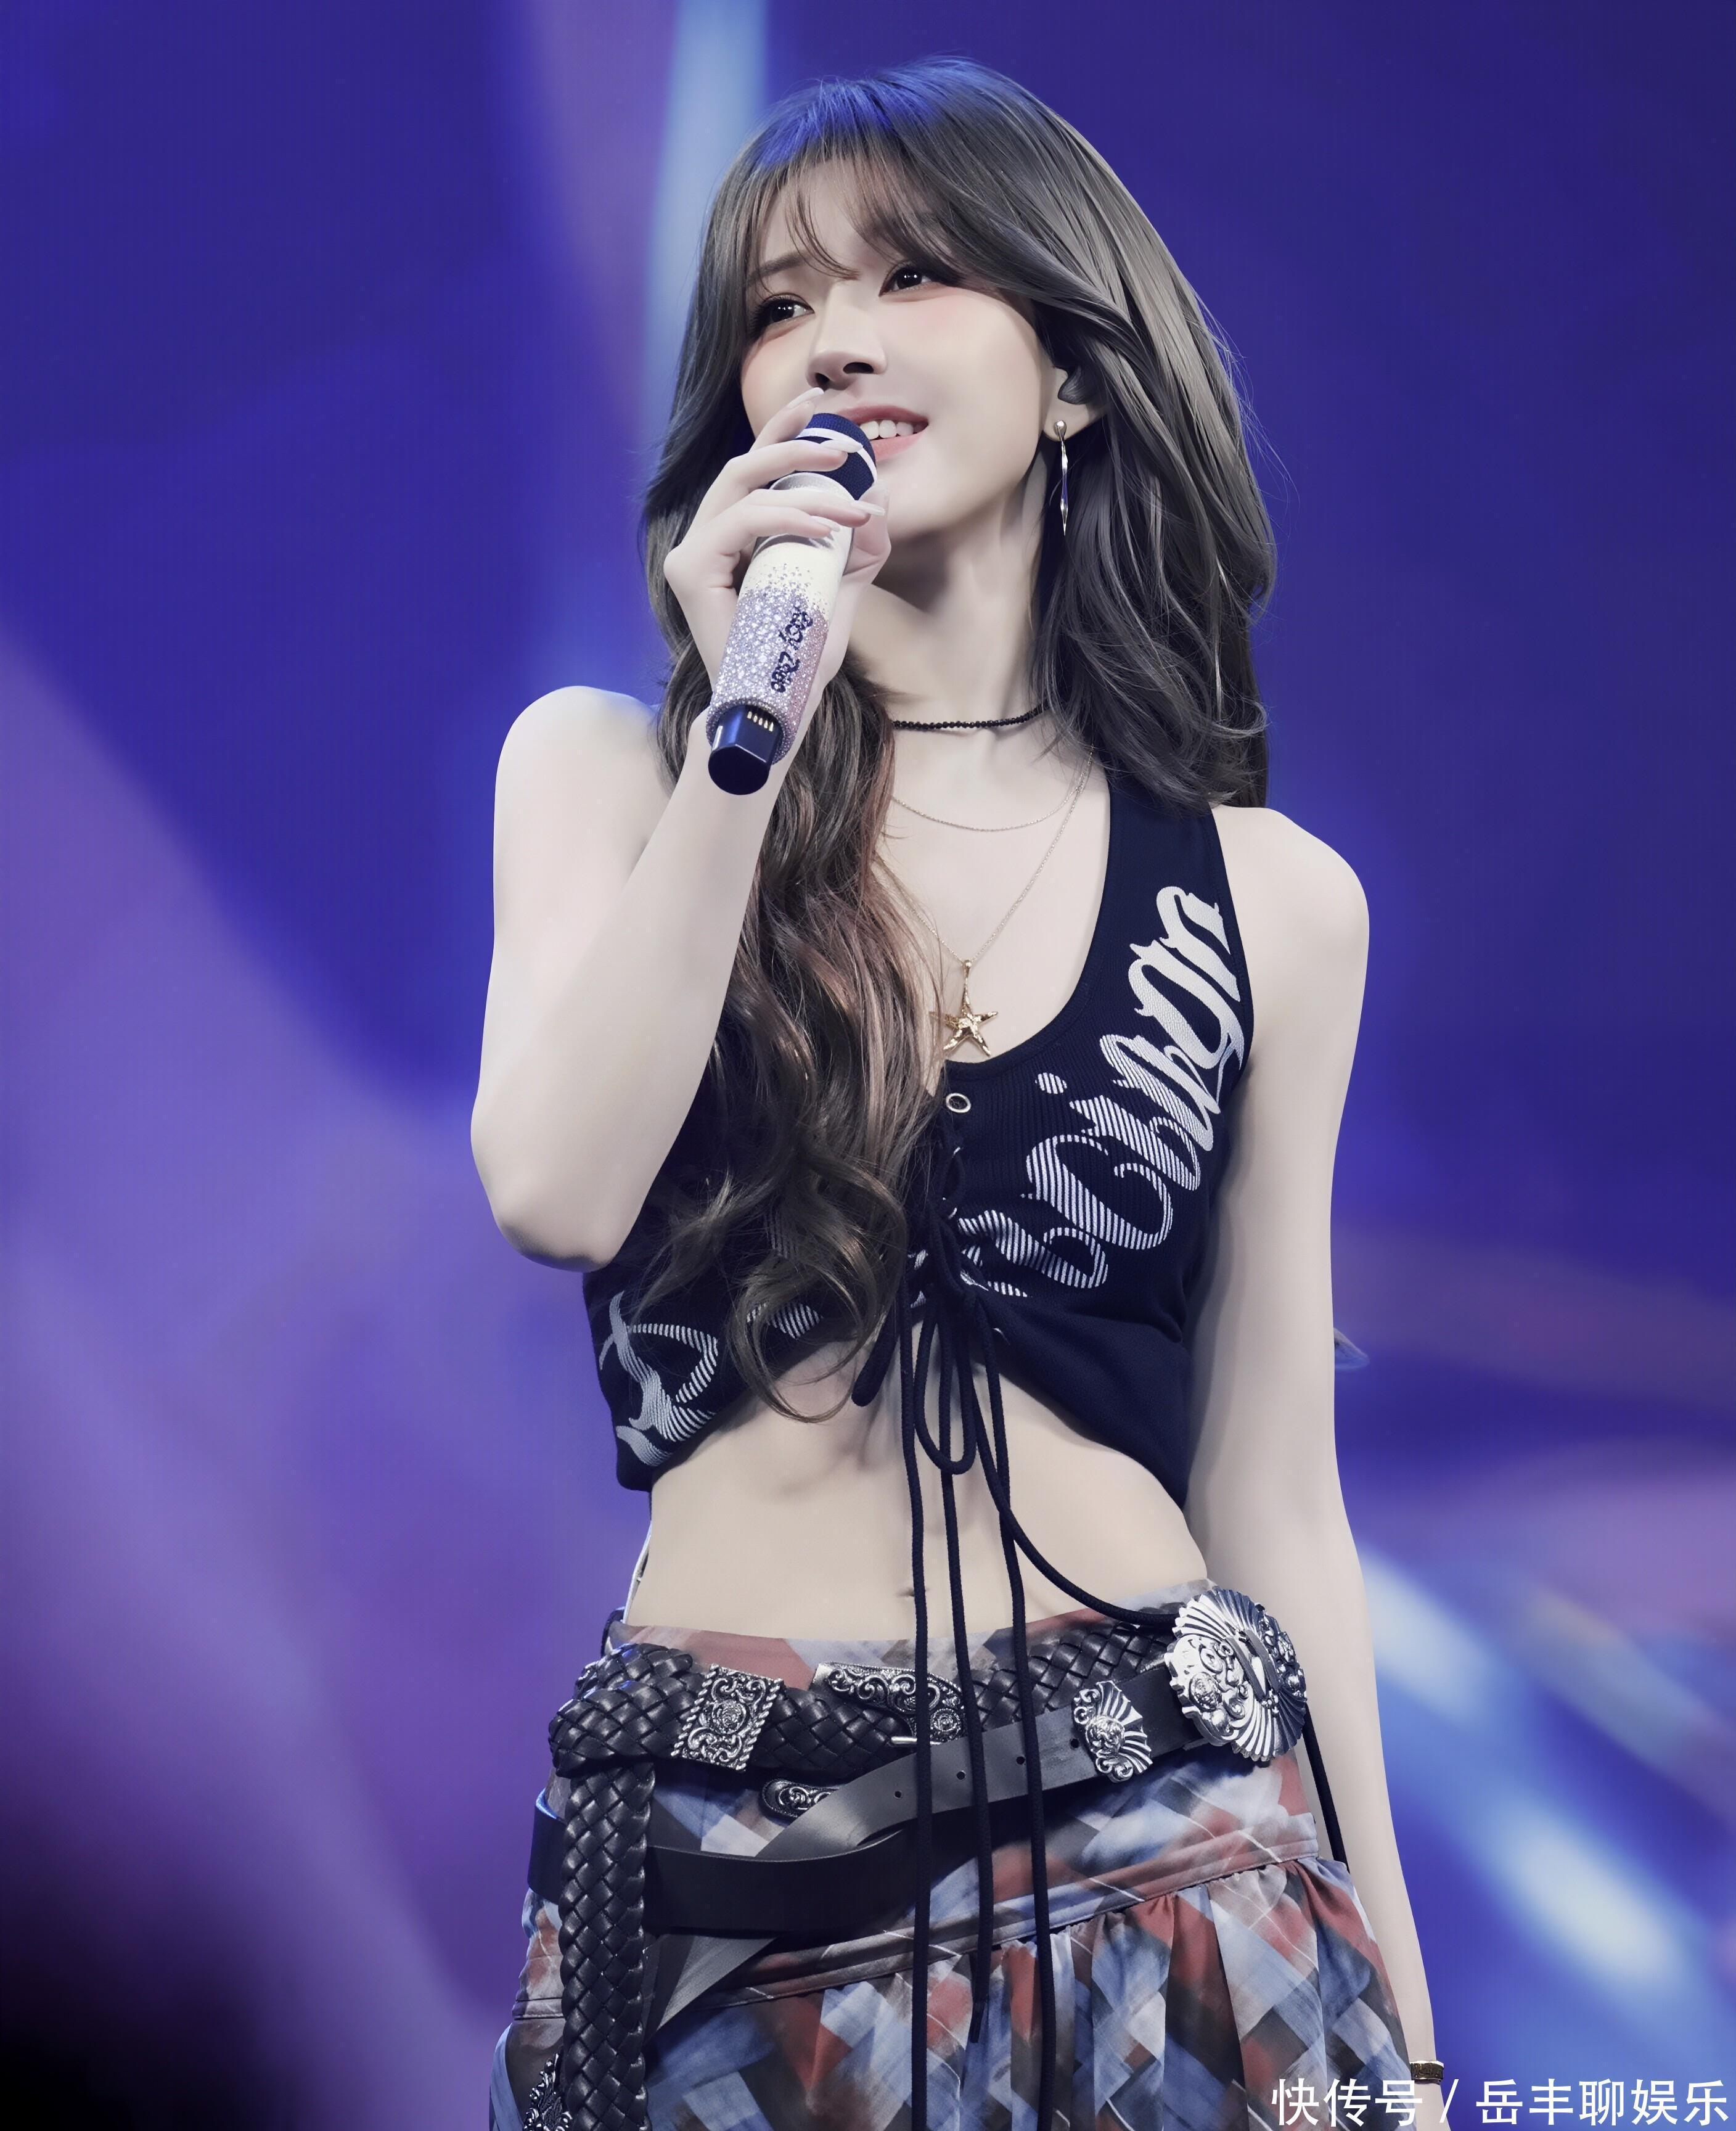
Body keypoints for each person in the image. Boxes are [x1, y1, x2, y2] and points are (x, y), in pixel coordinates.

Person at [472, 56, 1447, 2131]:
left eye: (911, 276)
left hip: (1187, 1841)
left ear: (1073, 375)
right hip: (737, 1874)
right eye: (777, 307)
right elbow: (555, 1187)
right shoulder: (607, 778)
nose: (833, 339)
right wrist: (750, 727)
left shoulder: (1271, 900)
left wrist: (1414, 2032)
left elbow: (1278, 1491)